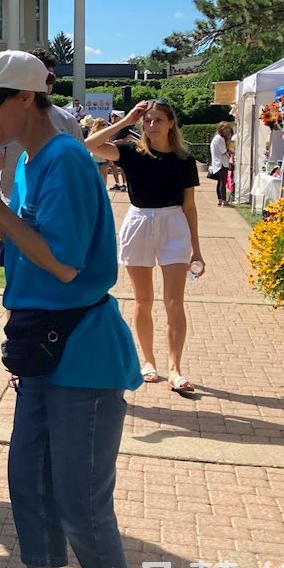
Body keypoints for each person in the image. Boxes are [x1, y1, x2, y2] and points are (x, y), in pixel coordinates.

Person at [0, 50, 142, 568]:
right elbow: (29, 247)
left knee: (81, 499)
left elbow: (63, 263)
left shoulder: (64, 158)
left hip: (81, 353)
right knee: (30, 486)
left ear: (26, 97)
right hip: (43, 349)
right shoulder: (33, 162)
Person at [85, 99, 203, 394]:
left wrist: (196, 248)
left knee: (174, 302)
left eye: (158, 120)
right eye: (147, 120)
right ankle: (148, 361)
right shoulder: (130, 152)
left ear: (171, 123)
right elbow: (88, 145)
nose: (151, 125)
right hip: (139, 222)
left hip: (173, 224)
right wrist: (126, 122)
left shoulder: (184, 159)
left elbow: (189, 206)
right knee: (143, 299)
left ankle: (175, 368)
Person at [0, 48, 82, 203]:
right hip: (11, 202)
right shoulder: (23, 159)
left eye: (50, 77)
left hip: (54, 202)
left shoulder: (67, 121)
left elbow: (78, 170)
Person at [209, 122, 234, 206]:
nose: (227, 131)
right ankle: (224, 200)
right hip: (221, 164)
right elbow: (223, 151)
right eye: (226, 129)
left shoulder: (216, 138)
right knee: (223, 183)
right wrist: (229, 150)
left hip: (217, 163)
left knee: (220, 183)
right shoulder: (220, 139)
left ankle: (220, 200)